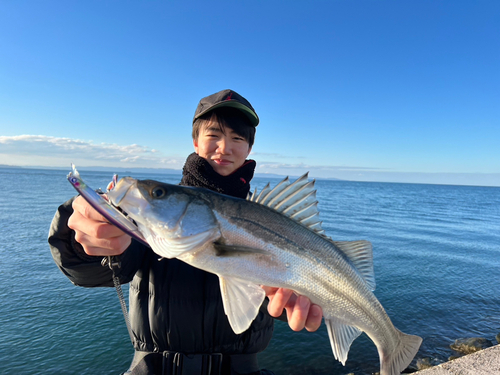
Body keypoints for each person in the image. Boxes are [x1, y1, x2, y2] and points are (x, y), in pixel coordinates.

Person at [48, 89, 323, 375]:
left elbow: (265, 297)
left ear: (249, 149)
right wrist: (82, 238)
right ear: (195, 141)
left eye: (237, 138)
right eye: (214, 134)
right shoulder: (156, 212)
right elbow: (98, 268)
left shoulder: (273, 219)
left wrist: (285, 300)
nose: (224, 147)